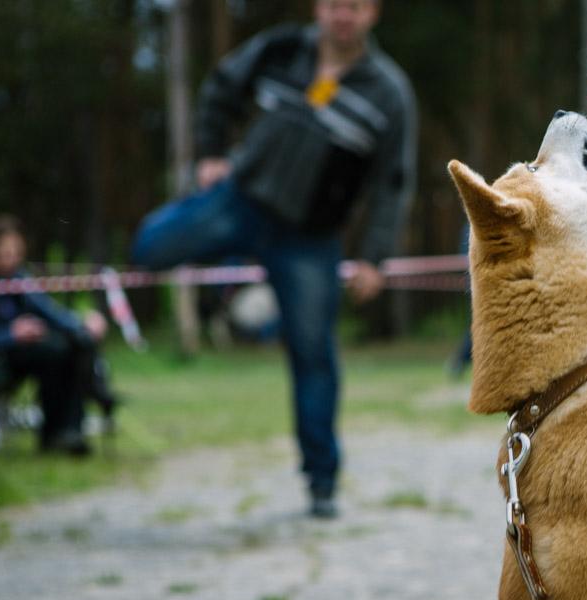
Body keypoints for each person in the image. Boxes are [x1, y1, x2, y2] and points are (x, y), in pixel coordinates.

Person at [130, 0, 417, 519]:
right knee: (148, 248)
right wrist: (212, 151)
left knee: (314, 356)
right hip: (240, 200)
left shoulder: (390, 92)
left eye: (354, 6)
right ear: (319, 8)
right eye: (334, 5)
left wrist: (374, 257)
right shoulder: (279, 49)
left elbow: (393, 184)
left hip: (309, 239)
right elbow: (220, 87)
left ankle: (322, 482)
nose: (342, 15)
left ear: (373, 12)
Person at [0, 215, 114, 456]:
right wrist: (11, 334)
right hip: (1, 356)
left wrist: (83, 323)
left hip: (30, 352)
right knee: (54, 352)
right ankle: (86, 400)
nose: (11, 258)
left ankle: (68, 432)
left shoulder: (20, 278)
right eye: (4, 252)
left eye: (16, 251)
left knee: (76, 343)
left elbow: (50, 312)